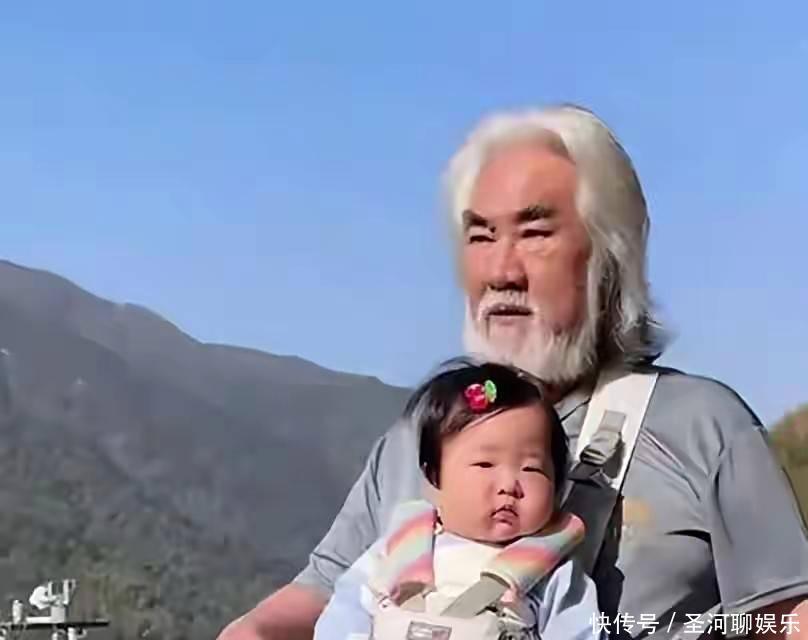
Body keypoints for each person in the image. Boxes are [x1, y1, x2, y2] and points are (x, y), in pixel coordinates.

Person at [218, 104, 808, 640]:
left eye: (535, 233)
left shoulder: (704, 427)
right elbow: (320, 598)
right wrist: (252, 631)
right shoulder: (419, 436)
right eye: (480, 236)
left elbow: (790, 619)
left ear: (608, 254)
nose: (502, 271)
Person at [313, 359, 601, 640]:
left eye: (531, 469)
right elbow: (344, 616)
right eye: (485, 465)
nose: (508, 486)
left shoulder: (551, 572)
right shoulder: (398, 548)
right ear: (434, 476)